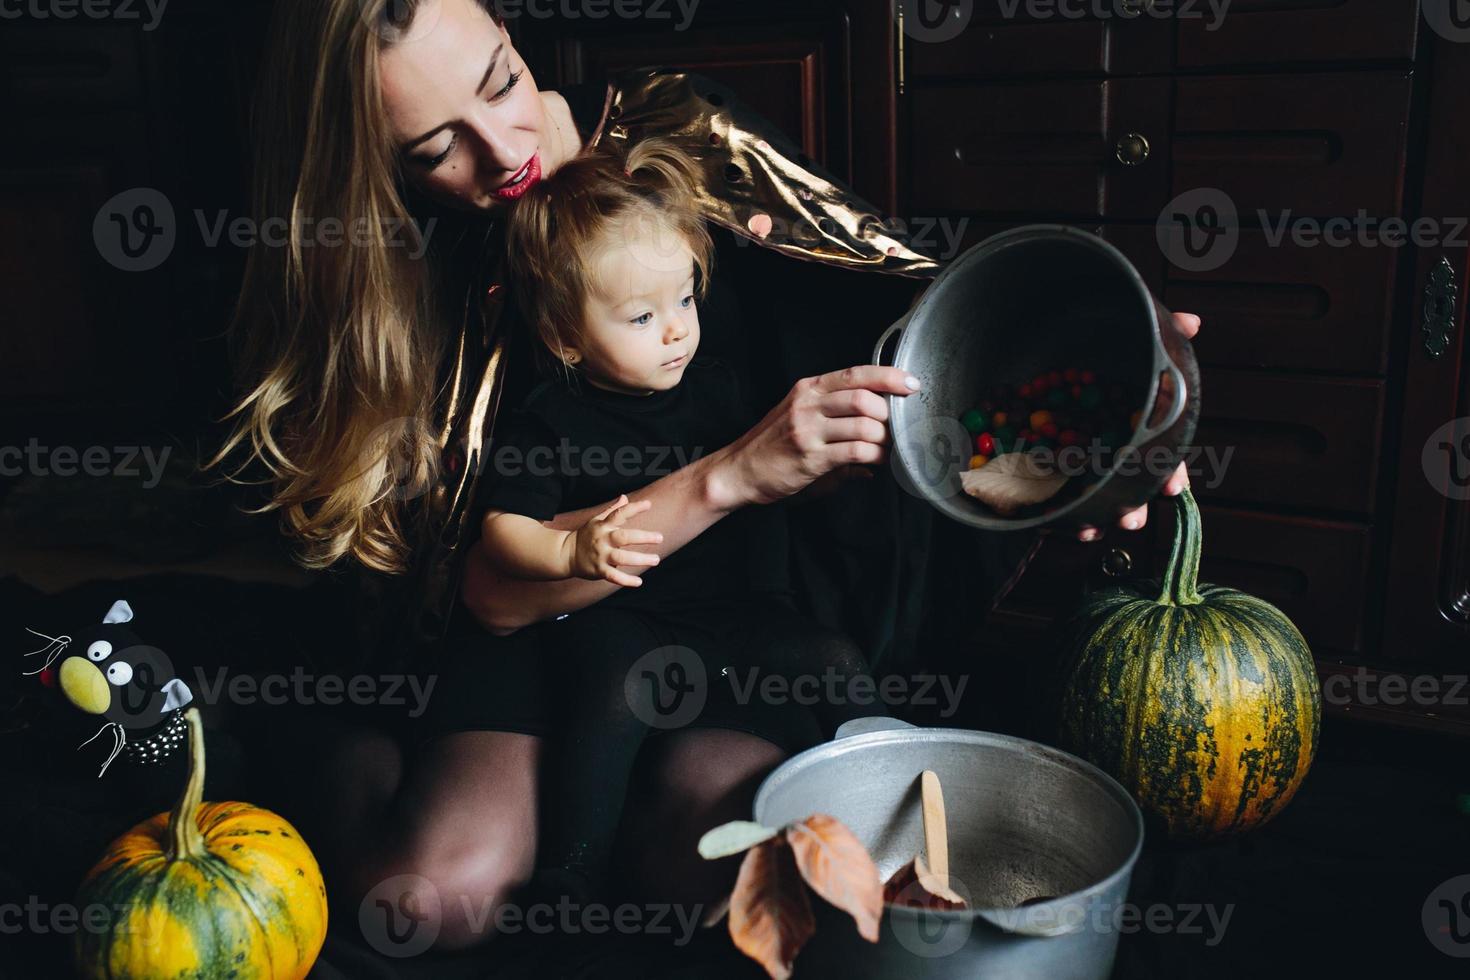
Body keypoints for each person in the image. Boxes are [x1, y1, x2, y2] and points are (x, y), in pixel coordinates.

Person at [207, 0, 1200, 951]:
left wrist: (1077, 444)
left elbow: (900, 332)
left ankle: (611, 805)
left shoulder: (687, 140)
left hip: (722, 608)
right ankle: (337, 741)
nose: (505, 150)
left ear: (510, 31)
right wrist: (733, 474)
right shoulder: (407, 272)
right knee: (434, 900)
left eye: (501, 81)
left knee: (747, 864)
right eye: (436, 149)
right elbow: (499, 596)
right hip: (535, 620)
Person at [479, 138, 883, 898]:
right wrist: (571, 554)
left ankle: (899, 796)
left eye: (686, 299)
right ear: (566, 337)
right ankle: (572, 874)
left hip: (734, 611)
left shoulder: (719, 386)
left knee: (832, 659)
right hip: (632, 620)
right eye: (640, 316)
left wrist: (826, 478)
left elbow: (773, 484)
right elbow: (504, 534)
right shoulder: (550, 422)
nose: (676, 330)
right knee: (614, 693)